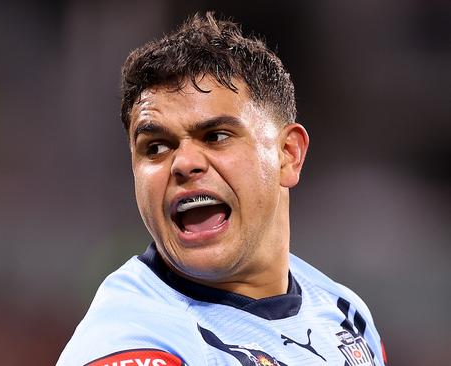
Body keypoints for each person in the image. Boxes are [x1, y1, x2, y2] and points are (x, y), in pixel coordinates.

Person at [57, 12, 386, 366]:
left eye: (215, 136)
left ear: (288, 155)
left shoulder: (345, 314)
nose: (183, 163)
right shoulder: (131, 341)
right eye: (155, 147)